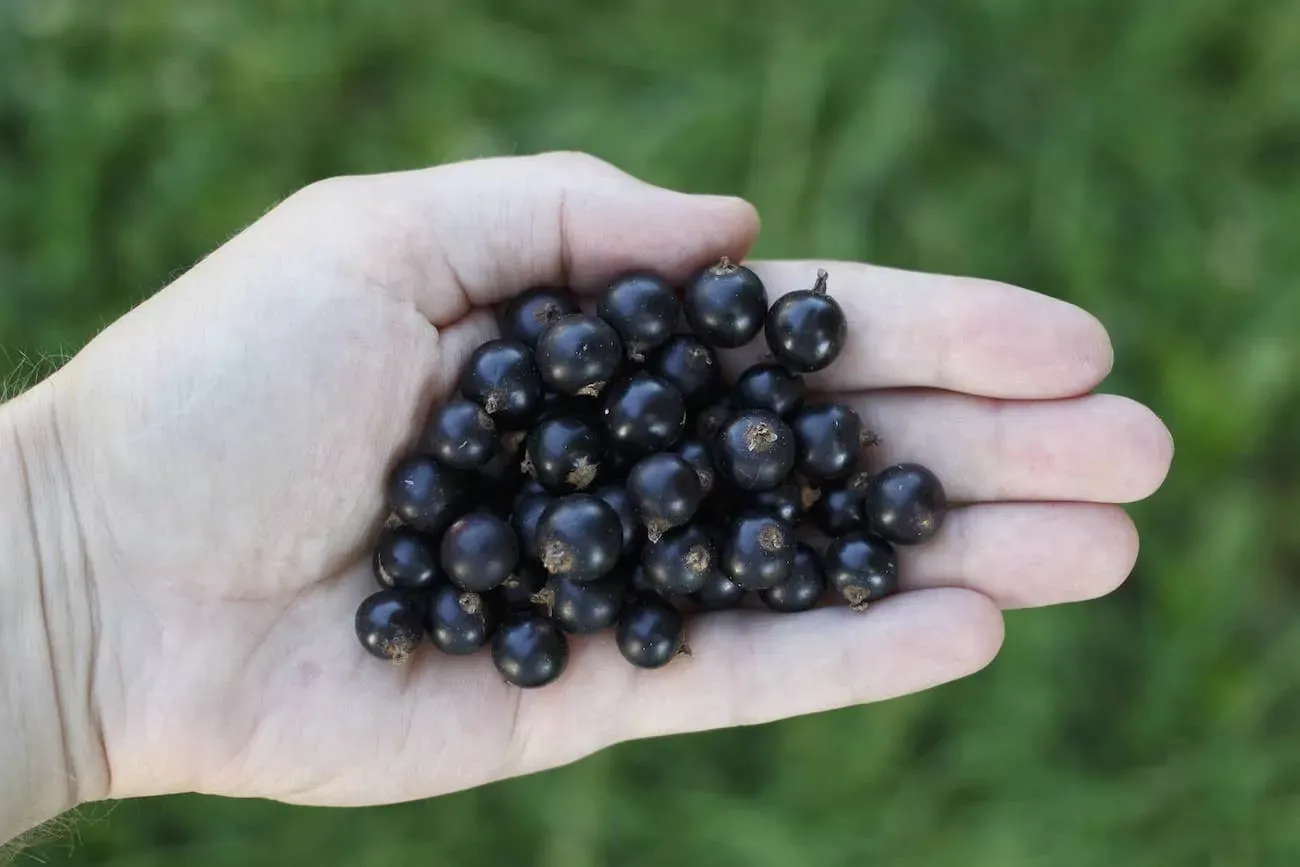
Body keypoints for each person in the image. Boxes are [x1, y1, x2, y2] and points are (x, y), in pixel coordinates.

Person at [0, 152, 1173, 845]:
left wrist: (71, 562)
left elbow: (648, 503)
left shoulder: (633, 477)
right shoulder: (553, 489)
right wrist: (67, 553)